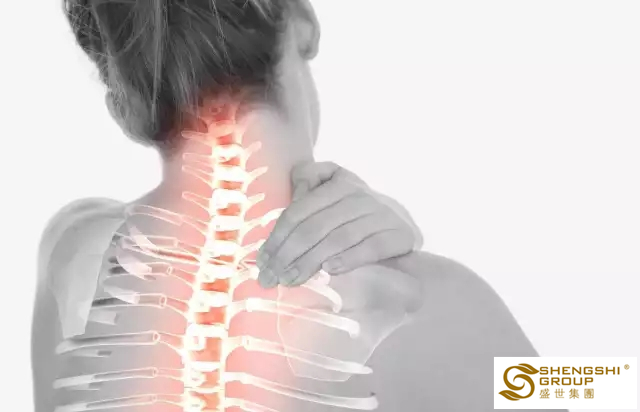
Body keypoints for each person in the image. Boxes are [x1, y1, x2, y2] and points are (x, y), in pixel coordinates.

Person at [32, 0, 556, 411]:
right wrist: (417, 267)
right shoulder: (424, 304)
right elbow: (593, 388)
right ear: (304, 21)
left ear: (127, 107)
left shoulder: (72, 257)